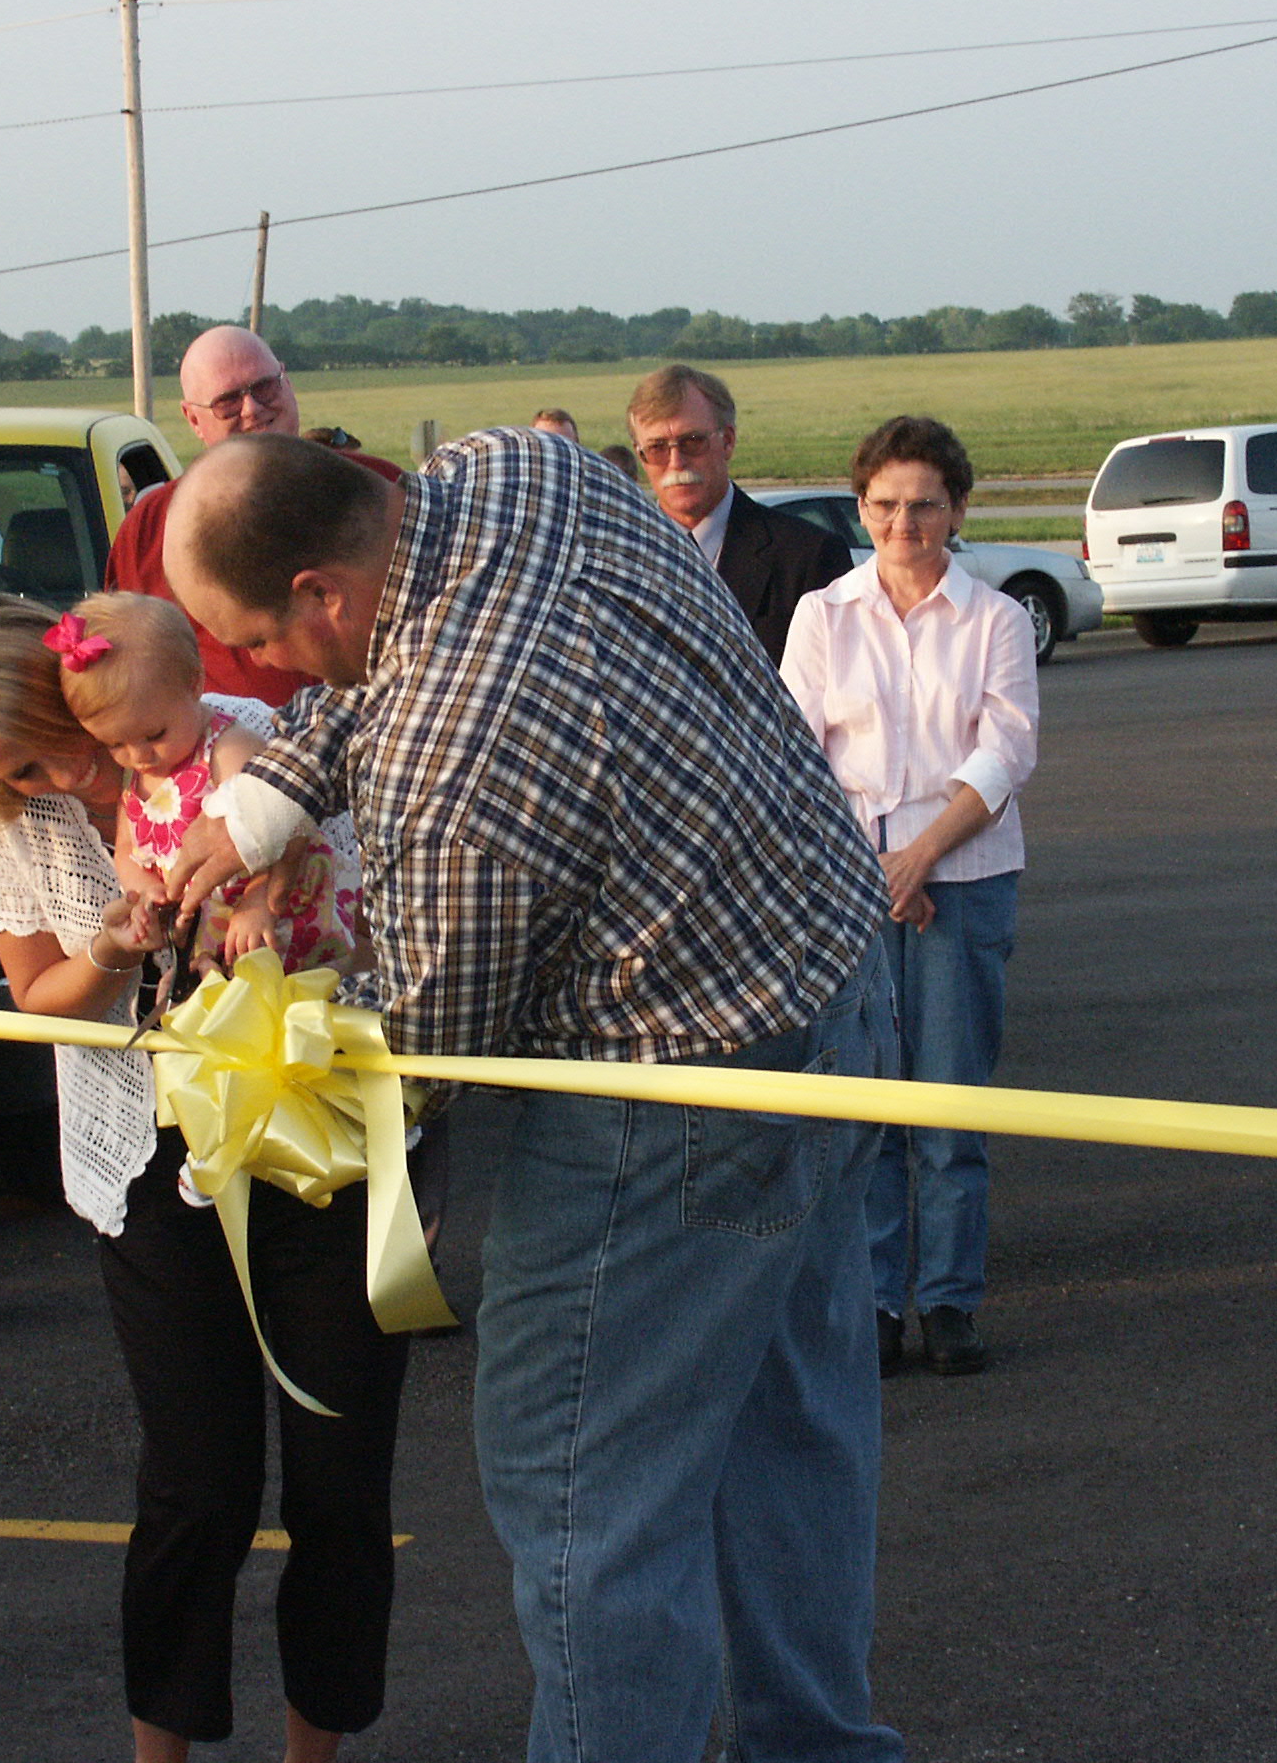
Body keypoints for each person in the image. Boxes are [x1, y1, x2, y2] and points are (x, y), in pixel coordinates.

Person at [159, 427, 906, 1763]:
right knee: (791, 1424)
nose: (256, 678)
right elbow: (363, 679)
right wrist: (267, 808)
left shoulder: (456, 771)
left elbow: (437, 1049)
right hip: (833, 986)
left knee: (582, 1489)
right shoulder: (517, 473)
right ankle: (818, 1747)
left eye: (257, 645)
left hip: (677, 1094)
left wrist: (275, 1060)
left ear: (324, 592)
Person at [0, 594, 409, 1763]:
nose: (42, 781)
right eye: (7, 770)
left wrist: (278, 894)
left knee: (337, 1478)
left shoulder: (237, 746)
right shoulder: (10, 819)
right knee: (195, 1486)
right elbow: (37, 1001)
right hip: (148, 1149)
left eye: (44, 746)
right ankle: (159, 1752)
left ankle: (312, 1751)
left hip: (317, 1129)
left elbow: (366, 896)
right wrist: (113, 946)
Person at [784, 416, 1036, 1381]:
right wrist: (873, 878)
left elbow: (1005, 751)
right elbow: (796, 760)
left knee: (949, 1103)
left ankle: (949, 1302)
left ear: (957, 509)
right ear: (861, 509)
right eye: (885, 505)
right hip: (854, 893)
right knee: (867, 1110)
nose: (904, 522)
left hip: (963, 886)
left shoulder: (996, 620)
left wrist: (922, 858)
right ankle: (878, 1302)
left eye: (925, 504)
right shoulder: (822, 617)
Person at [49, 591, 356, 981]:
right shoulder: (135, 776)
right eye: (114, 744)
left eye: (154, 734)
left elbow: (278, 832)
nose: (139, 755)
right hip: (210, 931)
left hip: (282, 914)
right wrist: (146, 892)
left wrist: (258, 900)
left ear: (193, 684)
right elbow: (127, 851)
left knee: (307, 993)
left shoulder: (227, 747)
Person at [104, 326, 405, 705]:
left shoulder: (379, 485)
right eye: (227, 401)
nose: (252, 409)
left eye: (264, 387)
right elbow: (125, 664)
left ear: (288, 382)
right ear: (193, 419)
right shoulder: (149, 529)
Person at [626, 362, 850, 663]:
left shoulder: (809, 556)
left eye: (692, 442)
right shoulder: (617, 560)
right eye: (657, 448)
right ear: (640, 456)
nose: (676, 462)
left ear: (728, 441)